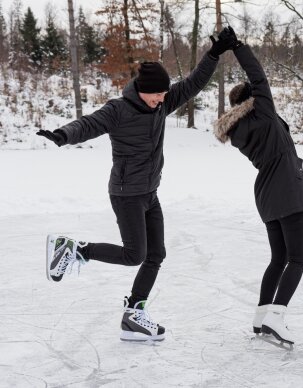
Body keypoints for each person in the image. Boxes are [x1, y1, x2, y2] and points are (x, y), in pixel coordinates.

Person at [37, 28, 236, 342]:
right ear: (142, 90)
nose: (161, 99)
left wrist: (214, 54)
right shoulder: (119, 110)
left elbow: (195, 83)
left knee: (156, 253)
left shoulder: (161, 105)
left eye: (163, 95)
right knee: (135, 254)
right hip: (126, 194)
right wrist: (64, 135)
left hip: (150, 193)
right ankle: (74, 250)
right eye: (157, 94)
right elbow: (89, 123)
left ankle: (133, 315)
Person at [213, 28, 303, 345]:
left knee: (278, 259)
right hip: (288, 191)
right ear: (253, 100)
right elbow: (257, 74)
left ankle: (260, 318)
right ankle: (277, 316)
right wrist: (238, 47)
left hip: (267, 196)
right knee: (296, 260)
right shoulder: (263, 112)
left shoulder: (238, 129)